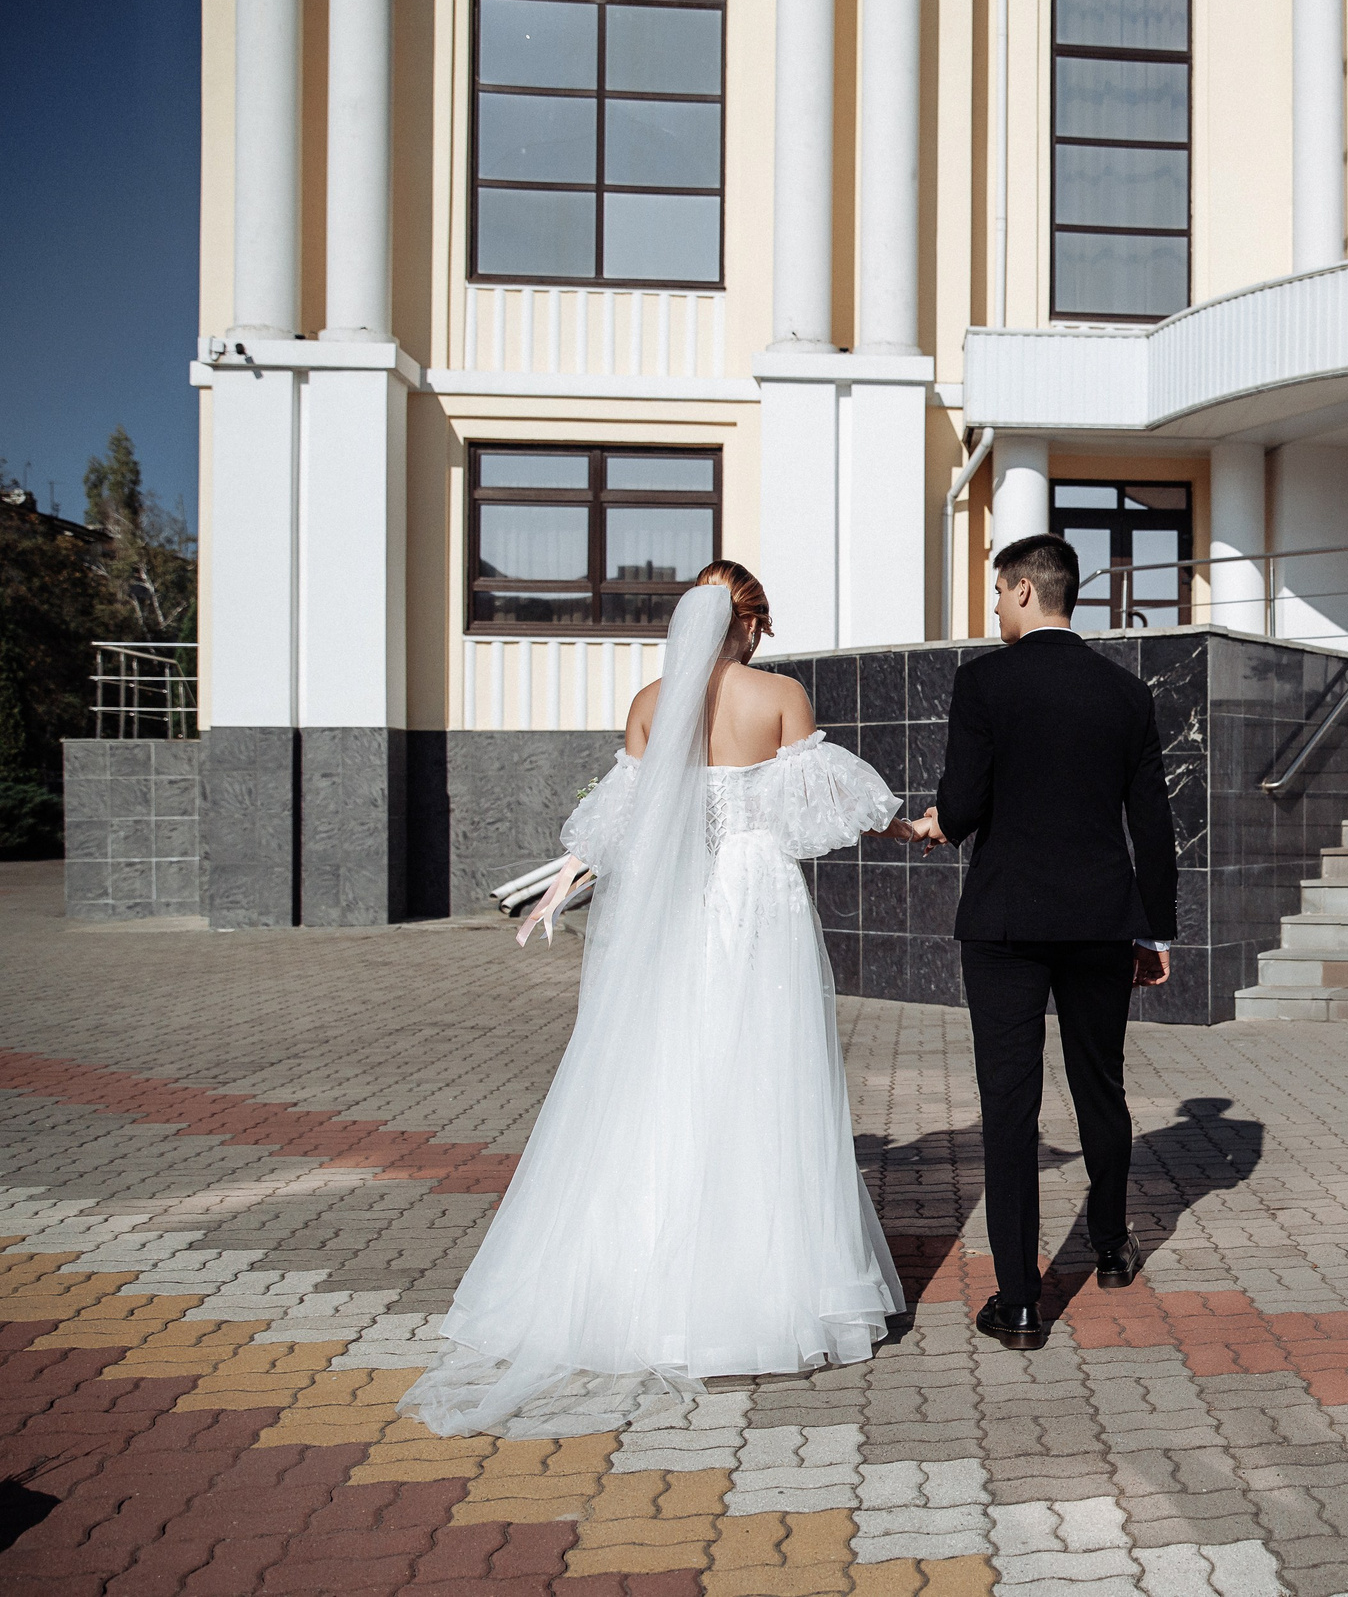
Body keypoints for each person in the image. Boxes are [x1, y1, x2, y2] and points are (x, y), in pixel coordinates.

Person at [402, 563, 925, 1437]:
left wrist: (565, 883)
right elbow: (828, 807)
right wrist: (909, 825)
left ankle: (638, 1284)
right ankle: (762, 1292)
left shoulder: (650, 703)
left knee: (665, 1074)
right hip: (756, 904)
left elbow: (620, 826)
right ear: (750, 623)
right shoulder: (780, 697)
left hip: (677, 907)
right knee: (762, 1079)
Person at [910, 533, 1177, 1351]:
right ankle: (1112, 1245)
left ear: (1026, 590)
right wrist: (1154, 929)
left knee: (1009, 1105)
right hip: (1100, 921)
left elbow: (962, 806)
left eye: (998, 591)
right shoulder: (1126, 693)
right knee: (1101, 1084)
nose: (994, 605)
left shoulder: (984, 681)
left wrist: (939, 822)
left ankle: (1021, 1303)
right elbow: (1153, 824)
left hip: (1006, 925)